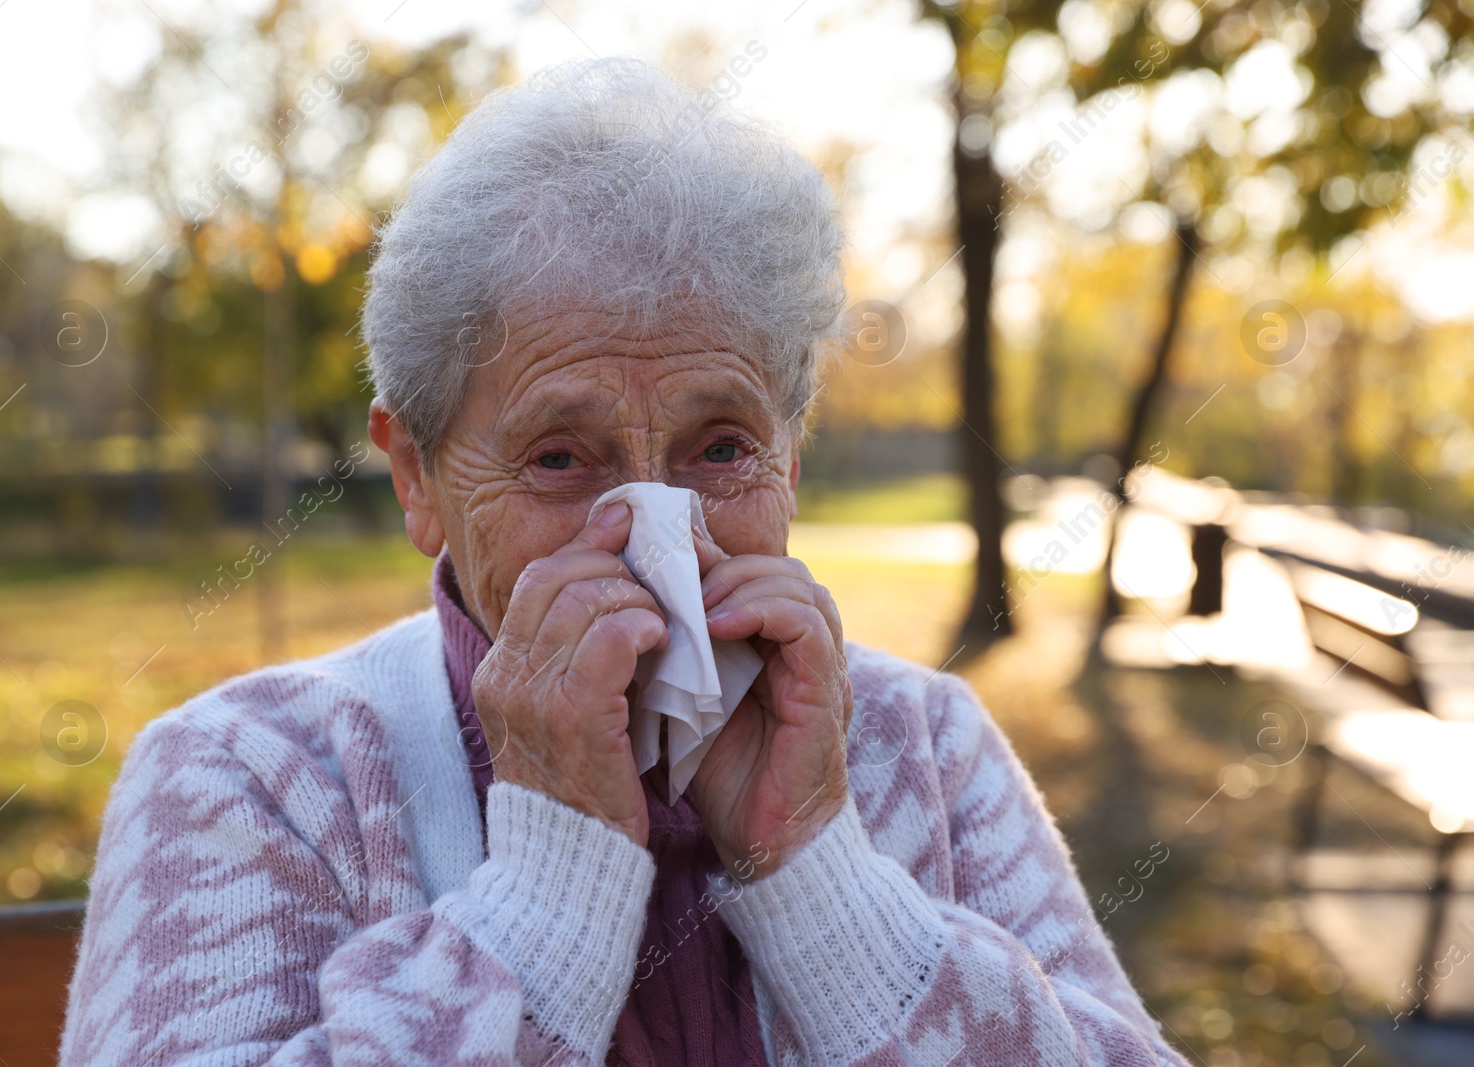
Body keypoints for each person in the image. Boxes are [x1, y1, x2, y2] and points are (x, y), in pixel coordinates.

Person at [59, 56, 1188, 1067]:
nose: (660, 537)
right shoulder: (250, 773)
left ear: (791, 459)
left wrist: (821, 881)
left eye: (722, 448)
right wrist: (550, 901)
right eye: (558, 457)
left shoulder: (924, 742)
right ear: (417, 477)